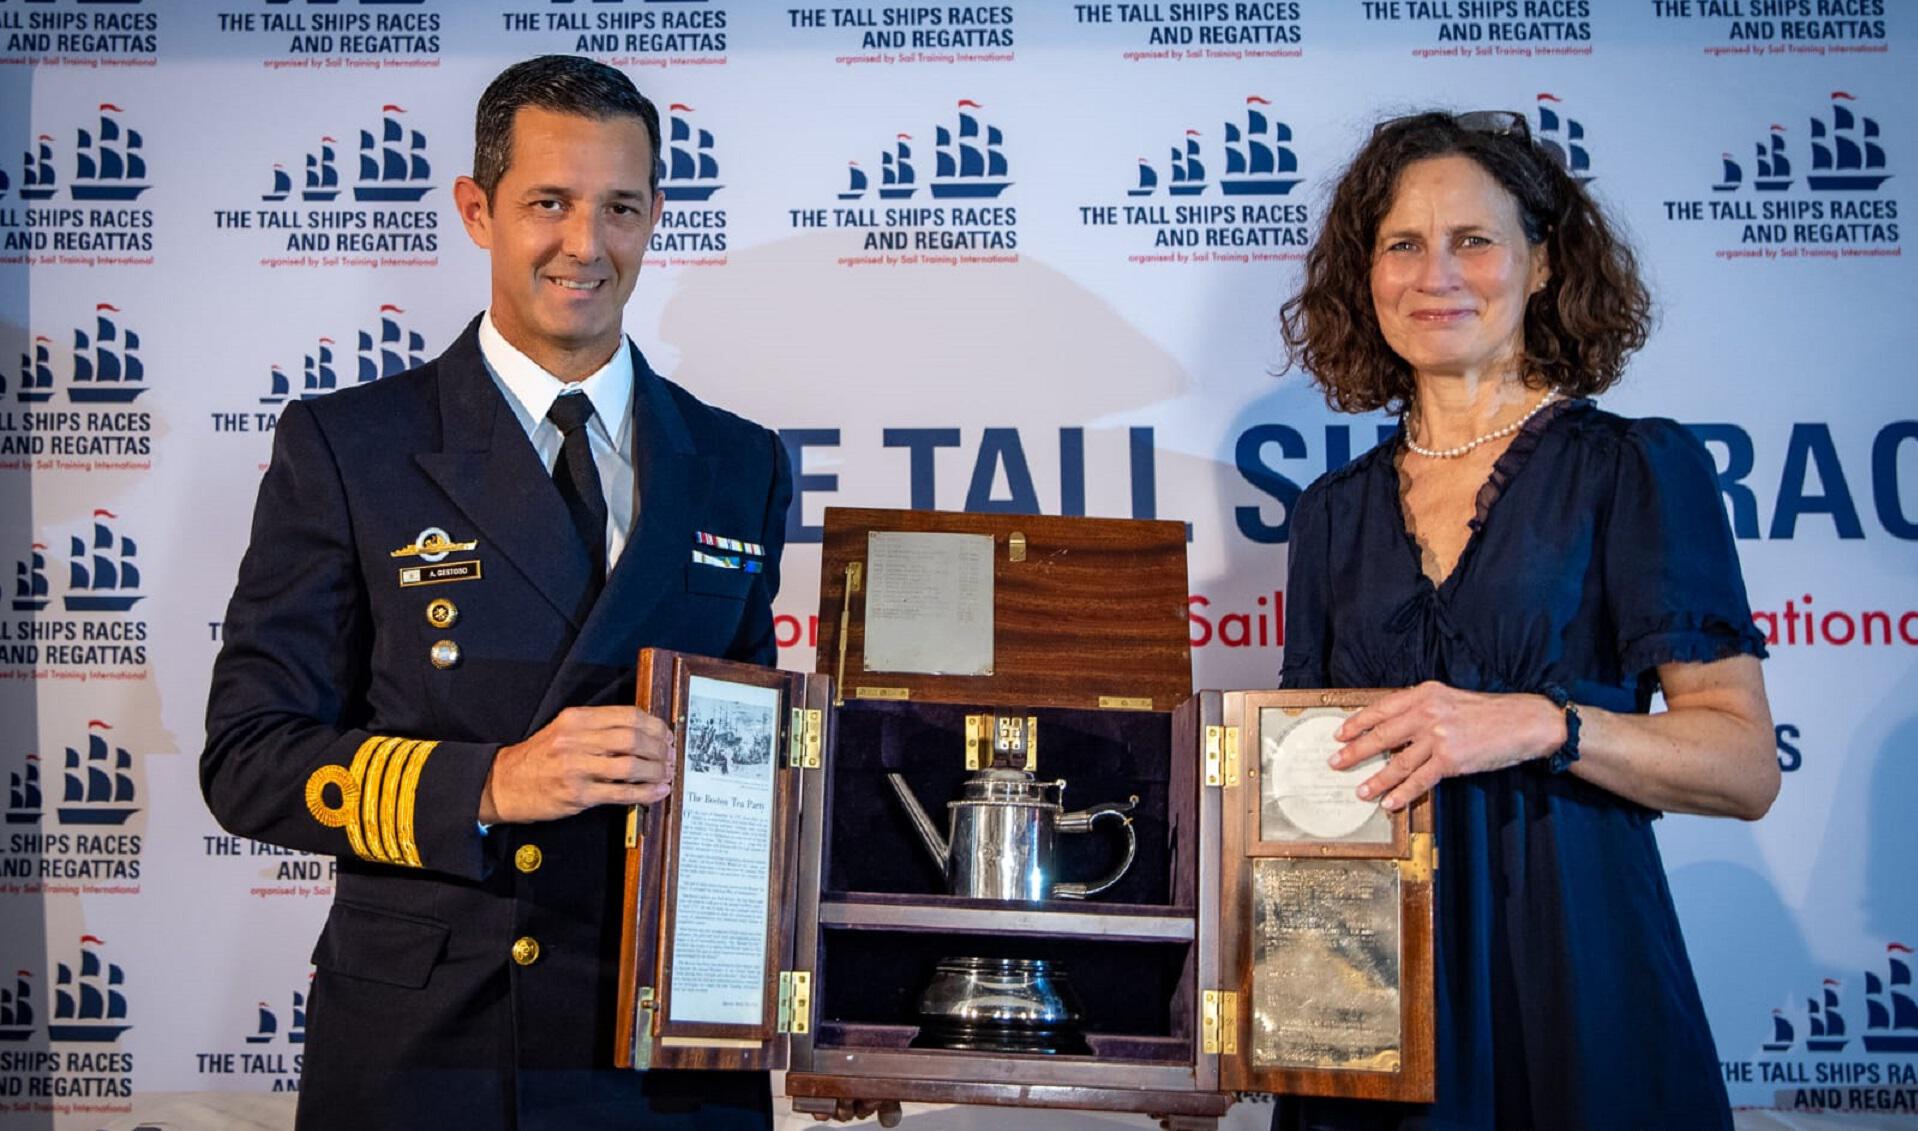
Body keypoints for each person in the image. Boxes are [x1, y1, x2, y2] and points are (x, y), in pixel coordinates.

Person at [202, 56, 790, 1130]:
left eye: (619, 207)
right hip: (435, 1049)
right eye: (548, 204)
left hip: (670, 1055)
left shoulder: (738, 463)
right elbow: (248, 759)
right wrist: (490, 784)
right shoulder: (352, 447)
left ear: (656, 215)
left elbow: (746, 767)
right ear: (477, 212)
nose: (586, 243)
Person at [1273, 111, 1779, 1128]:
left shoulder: (1634, 467)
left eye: (1474, 240)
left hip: (1577, 972)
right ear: (1364, 277)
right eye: (1401, 244)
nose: (1435, 275)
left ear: (1541, 265)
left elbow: (1742, 765)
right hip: (1371, 1000)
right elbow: (1300, 804)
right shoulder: (1329, 516)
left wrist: (1543, 723)